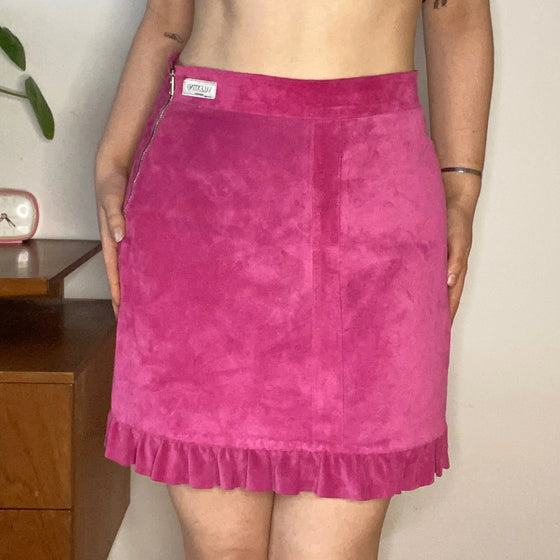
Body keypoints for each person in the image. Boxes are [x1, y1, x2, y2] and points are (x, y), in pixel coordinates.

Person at [95, 1, 493, 558]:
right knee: (220, 548)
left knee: (329, 549)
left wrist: (462, 190)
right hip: (205, 190)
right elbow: (167, 17)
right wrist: (111, 161)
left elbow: (459, 16)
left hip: (372, 189)